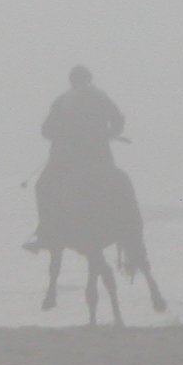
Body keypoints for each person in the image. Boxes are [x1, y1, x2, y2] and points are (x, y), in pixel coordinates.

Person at [25, 65, 126, 252]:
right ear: (90, 79)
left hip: (68, 158)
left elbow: (46, 129)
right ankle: (125, 227)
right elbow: (118, 121)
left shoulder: (63, 100)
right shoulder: (101, 97)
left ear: (72, 81)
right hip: (99, 156)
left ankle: (46, 233)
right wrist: (108, 134)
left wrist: (62, 137)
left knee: (43, 186)